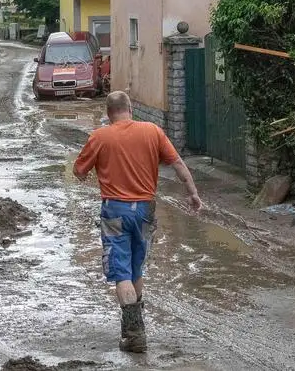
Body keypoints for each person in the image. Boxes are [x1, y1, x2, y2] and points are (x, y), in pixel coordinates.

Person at [73, 91, 204, 354]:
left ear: (108, 113)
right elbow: (177, 163)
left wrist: (92, 172)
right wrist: (193, 194)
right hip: (146, 210)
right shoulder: (153, 131)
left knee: (121, 272)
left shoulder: (100, 137)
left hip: (115, 212)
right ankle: (134, 327)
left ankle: (134, 335)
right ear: (130, 109)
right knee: (136, 269)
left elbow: (78, 171)